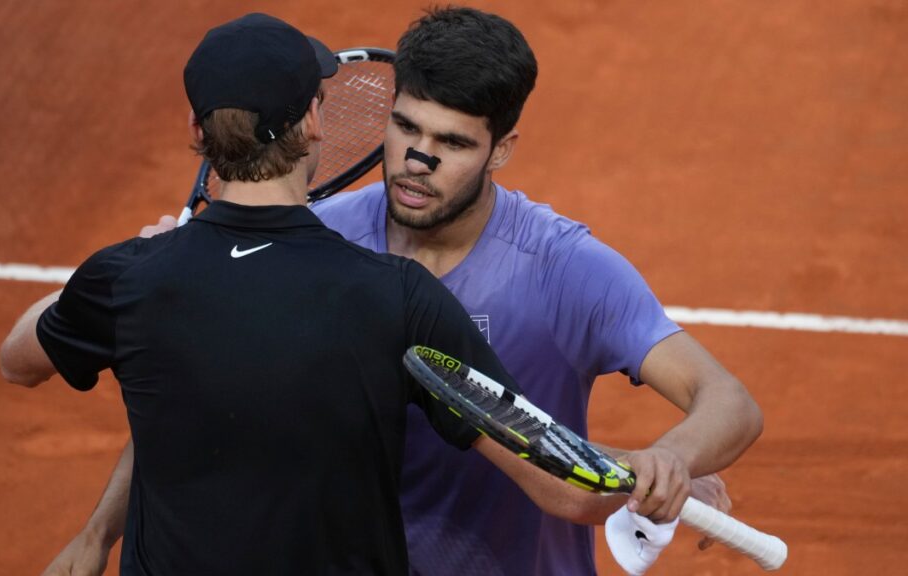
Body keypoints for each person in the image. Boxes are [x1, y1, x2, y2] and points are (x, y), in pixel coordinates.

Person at [37, 7, 763, 576]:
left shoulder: (564, 268)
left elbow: (727, 401)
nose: (417, 160)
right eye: (405, 126)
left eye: (451, 143)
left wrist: (668, 460)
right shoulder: (317, 239)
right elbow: (193, 397)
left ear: (501, 150)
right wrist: (98, 532)